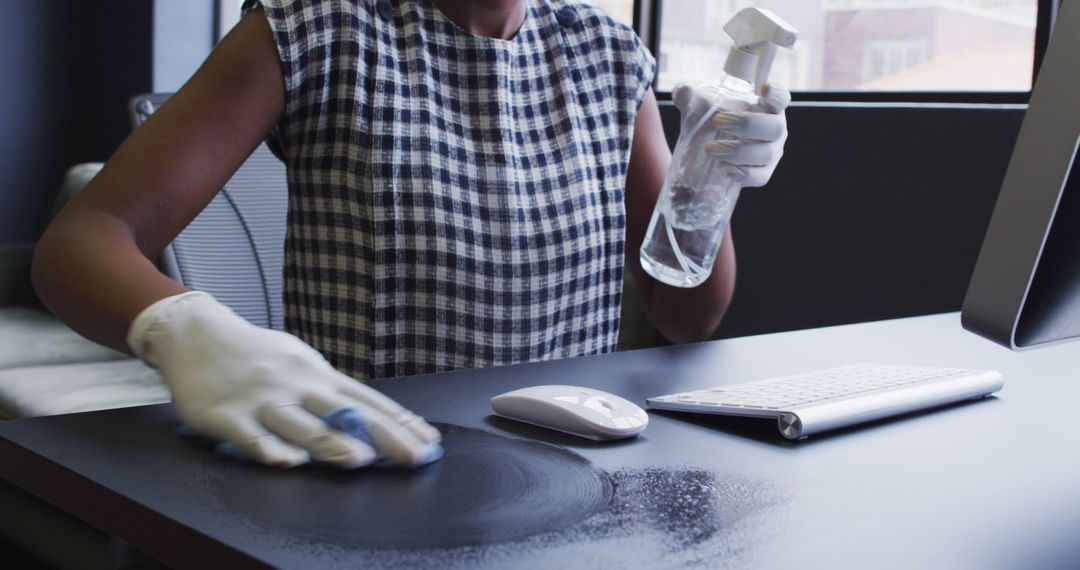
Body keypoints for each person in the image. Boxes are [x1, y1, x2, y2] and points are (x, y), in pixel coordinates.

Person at [31, 0, 790, 469]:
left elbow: (687, 313)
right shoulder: (313, 29)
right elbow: (80, 243)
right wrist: (185, 329)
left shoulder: (607, 52)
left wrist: (710, 178)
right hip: (377, 471)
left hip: (580, 476)